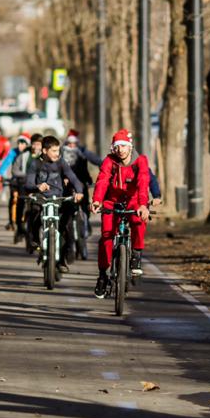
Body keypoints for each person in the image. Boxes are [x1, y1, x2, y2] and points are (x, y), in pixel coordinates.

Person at [91, 128, 150, 298]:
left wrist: (143, 205)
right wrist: (97, 200)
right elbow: (102, 180)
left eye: (123, 146)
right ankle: (103, 275)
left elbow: (143, 182)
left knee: (139, 221)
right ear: (113, 148)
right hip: (112, 201)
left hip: (134, 201)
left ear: (130, 146)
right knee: (106, 236)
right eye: (117, 147)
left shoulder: (140, 161)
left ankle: (136, 254)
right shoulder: (109, 161)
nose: (120, 150)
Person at [24, 135, 83, 272]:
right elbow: (28, 183)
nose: (58, 154)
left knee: (67, 226)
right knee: (34, 212)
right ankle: (34, 241)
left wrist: (79, 191)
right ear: (44, 151)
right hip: (41, 199)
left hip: (59, 199)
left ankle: (62, 259)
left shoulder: (62, 163)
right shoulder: (35, 163)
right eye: (54, 151)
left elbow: (74, 179)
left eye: (58, 150)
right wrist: (37, 187)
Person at [0, 132, 33, 239]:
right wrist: (0, 174)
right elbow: (6, 163)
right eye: (19, 142)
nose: (20, 145)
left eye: (23, 143)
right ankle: (11, 221)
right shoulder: (13, 152)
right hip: (15, 180)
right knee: (14, 198)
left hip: (28, 182)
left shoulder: (31, 154)